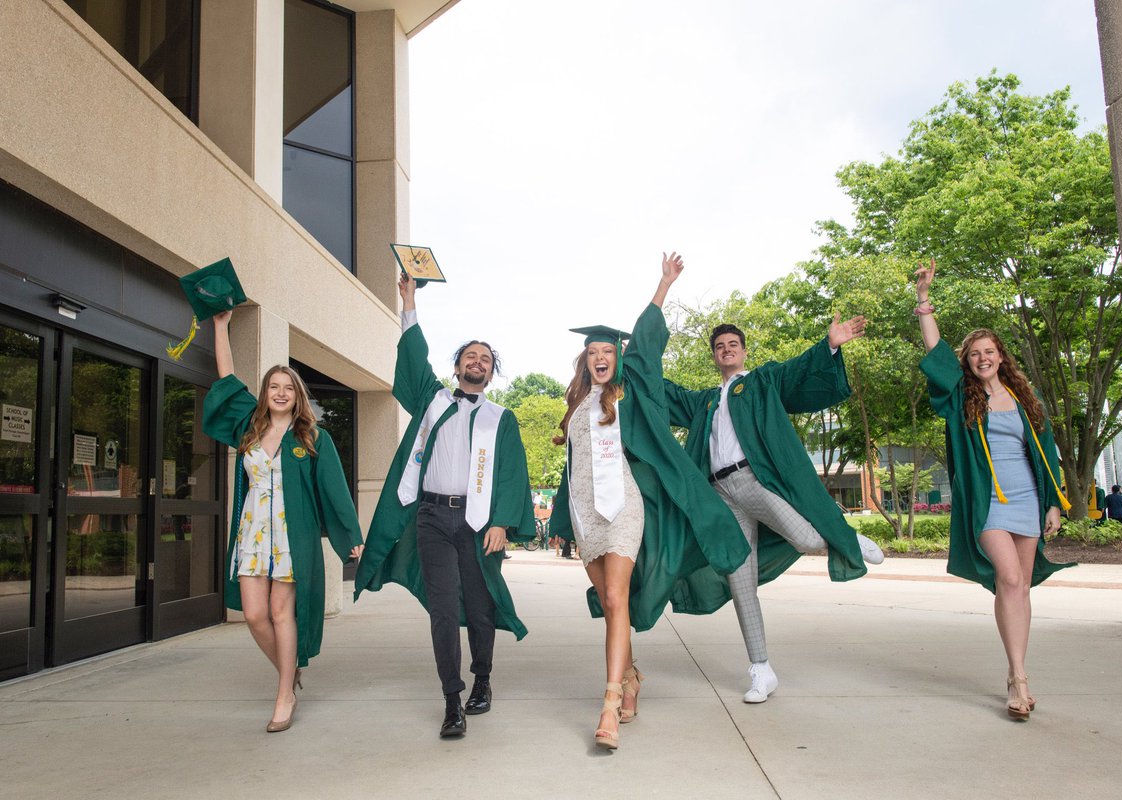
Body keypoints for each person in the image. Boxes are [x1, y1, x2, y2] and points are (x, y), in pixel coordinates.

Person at [548, 253, 750, 751]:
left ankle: (611, 701)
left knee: (617, 599)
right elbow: (571, 470)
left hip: (624, 510)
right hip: (585, 515)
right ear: (584, 359)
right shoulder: (576, 407)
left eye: (607, 350)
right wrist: (558, 519)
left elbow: (646, 345)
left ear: (617, 357)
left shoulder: (631, 391)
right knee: (611, 603)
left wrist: (662, 286)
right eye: (592, 351)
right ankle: (633, 676)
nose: (600, 355)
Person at [665, 314, 883, 704]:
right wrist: (635, 362)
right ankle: (761, 670)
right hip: (720, 495)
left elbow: (797, 369)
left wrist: (829, 345)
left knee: (802, 537)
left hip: (752, 481)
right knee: (740, 582)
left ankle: (847, 540)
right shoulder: (706, 401)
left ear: (743, 351)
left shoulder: (762, 382)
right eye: (719, 347)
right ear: (714, 357)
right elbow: (665, 394)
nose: (726, 350)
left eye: (733, 344)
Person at [354, 274, 535, 739]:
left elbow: (513, 473)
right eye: (470, 356)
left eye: (486, 359)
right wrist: (408, 302)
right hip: (432, 517)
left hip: (478, 524)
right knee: (441, 609)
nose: (478, 362)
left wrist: (503, 522)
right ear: (456, 367)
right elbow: (412, 360)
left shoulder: (502, 419)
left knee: (478, 606)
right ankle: (451, 701)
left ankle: (483, 680)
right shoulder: (431, 400)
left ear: (491, 373)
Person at [914, 259, 1073, 720]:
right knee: (1007, 578)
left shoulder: (1026, 401)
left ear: (1001, 356)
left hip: (1026, 499)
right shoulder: (963, 397)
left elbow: (1045, 456)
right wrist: (924, 300)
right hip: (988, 503)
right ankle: (1019, 682)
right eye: (974, 354)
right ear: (968, 362)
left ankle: (1015, 671)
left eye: (989, 351)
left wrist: (1053, 504)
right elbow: (936, 352)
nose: (982, 358)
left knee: (1020, 587)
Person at [204, 310, 364, 733]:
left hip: (293, 539)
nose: (279, 393)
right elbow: (226, 379)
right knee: (253, 615)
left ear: (298, 396)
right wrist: (221, 326)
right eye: (273, 387)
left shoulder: (312, 438)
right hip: (253, 535)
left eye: (287, 388)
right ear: (264, 394)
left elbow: (335, 491)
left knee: (280, 613)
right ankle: (288, 671)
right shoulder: (249, 428)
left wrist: (352, 537)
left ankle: (283, 694)